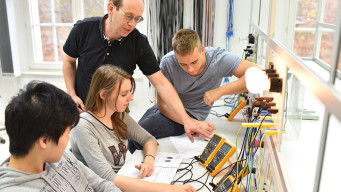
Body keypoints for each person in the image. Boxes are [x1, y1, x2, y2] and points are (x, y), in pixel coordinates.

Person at [62, 0, 212, 142]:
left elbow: (161, 83)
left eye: (138, 19)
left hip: (115, 116)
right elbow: (69, 61)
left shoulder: (139, 42)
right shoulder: (83, 29)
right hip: (82, 112)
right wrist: (72, 94)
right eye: (128, 16)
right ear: (111, 8)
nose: (132, 24)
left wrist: (187, 120)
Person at [129, 29, 260, 153]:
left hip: (192, 113)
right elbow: (163, 106)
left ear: (202, 50)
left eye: (194, 62)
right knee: (133, 134)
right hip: (171, 110)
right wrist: (194, 124)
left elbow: (259, 74)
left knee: (137, 137)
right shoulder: (168, 62)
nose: (190, 69)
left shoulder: (219, 59)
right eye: (183, 64)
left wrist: (220, 91)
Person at [69, 65, 196, 192]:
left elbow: (148, 139)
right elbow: (108, 178)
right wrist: (170, 189)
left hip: (122, 180)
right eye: (124, 94)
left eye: (129, 92)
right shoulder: (83, 127)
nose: (131, 98)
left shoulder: (118, 116)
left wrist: (149, 161)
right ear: (103, 94)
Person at [0, 81, 121, 191]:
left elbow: (102, 185)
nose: (68, 140)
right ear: (44, 140)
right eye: (67, 134)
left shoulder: (59, 156)